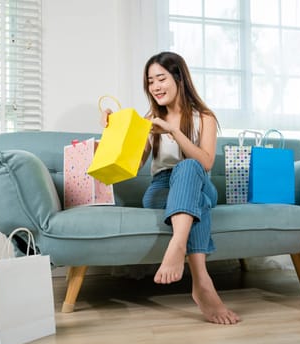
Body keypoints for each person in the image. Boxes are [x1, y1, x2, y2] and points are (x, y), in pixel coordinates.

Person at [101, 51, 240, 325]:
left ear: (178, 77)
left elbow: (207, 162)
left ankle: (177, 246)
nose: (155, 87)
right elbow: (134, 164)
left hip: (198, 178)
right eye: (150, 81)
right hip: (161, 188)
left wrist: (173, 132)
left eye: (161, 78)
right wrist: (115, 131)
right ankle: (202, 283)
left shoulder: (204, 117)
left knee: (188, 168)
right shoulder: (149, 118)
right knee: (196, 202)